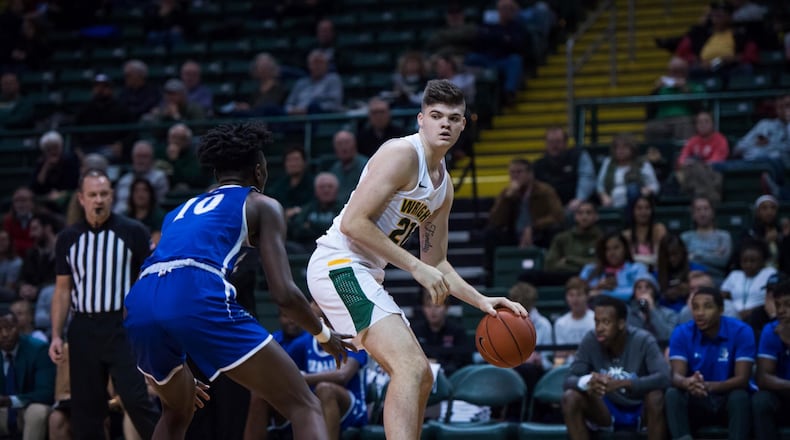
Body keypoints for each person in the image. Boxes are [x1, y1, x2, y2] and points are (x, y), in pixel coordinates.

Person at [306, 79, 527, 440]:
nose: (444, 124)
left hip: (365, 273)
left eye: (453, 118)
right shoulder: (402, 154)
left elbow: (437, 262)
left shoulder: (443, 186)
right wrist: (414, 267)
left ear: (463, 125)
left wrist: (482, 301)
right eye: (436, 116)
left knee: (421, 373)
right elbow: (352, 223)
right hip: (337, 265)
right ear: (421, 119)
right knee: (409, 367)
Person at [122, 123, 353, 439]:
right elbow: (283, 294)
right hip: (193, 292)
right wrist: (323, 333)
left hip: (140, 302)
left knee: (177, 410)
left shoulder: (179, 210)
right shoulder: (261, 204)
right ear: (258, 172)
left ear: (217, 174)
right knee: (303, 404)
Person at [49, 169, 161, 439]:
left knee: (137, 400)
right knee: (86, 411)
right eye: (92, 195)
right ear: (81, 199)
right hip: (84, 327)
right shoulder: (67, 238)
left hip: (121, 327)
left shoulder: (133, 231)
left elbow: (148, 281)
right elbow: (62, 290)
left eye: (103, 194)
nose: (98, 200)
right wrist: (55, 334)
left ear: (112, 196)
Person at [562, 296, 670, 440]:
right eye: (597, 321)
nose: (599, 328)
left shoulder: (643, 339)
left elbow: (664, 377)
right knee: (570, 397)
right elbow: (568, 379)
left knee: (656, 396)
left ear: (621, 323)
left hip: (640, 408)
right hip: (606, 409)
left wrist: (624, 383)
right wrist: (589, 381)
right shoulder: (591, 339)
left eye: (606, 322)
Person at [666, 286, 754, 440]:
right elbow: (676, 376)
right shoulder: (681, 332)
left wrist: (709, 386)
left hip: (727, 399)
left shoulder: (741, 331)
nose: (699, 313)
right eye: (695, 307)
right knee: (672, 394)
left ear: (720, 309)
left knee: (739, 396)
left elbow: (743, 379)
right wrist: (687, 383)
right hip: (697, 400)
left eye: (707, 307)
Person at [485, 158, 565, 252]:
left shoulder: (545, 191)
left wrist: (533, 227)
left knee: (554, 229)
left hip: (538, 232)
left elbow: (557, 216)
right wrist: (507, 199)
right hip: (513, 233)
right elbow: (494, 220)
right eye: (512, 172)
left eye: (519, 172)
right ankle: (491, 267)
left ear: (530, 174)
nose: (515, 176)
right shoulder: (506, 193)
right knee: (491, 232)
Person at [0, 308, 55, 440]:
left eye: (9, 328)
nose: (5, 334)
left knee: (37, 411)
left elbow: (47, 393)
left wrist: (10, 401)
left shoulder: (38, 350)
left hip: (27, 409)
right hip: (2, 413)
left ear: (18, 327)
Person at [752, 278, 790, 440]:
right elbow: (763, 378)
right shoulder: (771, 330)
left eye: (787, 305)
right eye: (778, 304)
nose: (781, 311)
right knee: (761, 400)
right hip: (782, 397)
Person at [533, 127, 596, 212]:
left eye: (558, 141)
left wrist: (579, 199)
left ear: (566, 142)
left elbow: (586, 178)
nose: (554, 145)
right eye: (551, 142)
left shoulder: (578, 156)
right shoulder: (538, 165)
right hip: (549, 208)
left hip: (576, 206)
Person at [411, 289, 472, 377]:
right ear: (423, 308)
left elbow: (464, 362)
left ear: (446, 308)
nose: (433, 310)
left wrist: (437, 363)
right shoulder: (416, 331)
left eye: (437, 306)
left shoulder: (457, 331)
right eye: (428, 306)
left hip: (452, 377)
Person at [579, 232, 651, 301]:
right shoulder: (589, 269)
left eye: (616, 248)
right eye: (607, 249)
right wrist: (596, 287)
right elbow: (577, 293)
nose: (612, 253)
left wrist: (602, 293)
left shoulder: (637, 269)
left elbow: (640, 292)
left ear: (625, 249)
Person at [596, 133, 660, 209]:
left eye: (624, 147)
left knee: (632, 189)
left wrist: (647, 191)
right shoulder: (608, 162)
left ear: (632, 148)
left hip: (636, 205)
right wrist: (604, 196)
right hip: (612, 204)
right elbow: (599, 185)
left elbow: (655, 186)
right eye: (617, 147)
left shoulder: (642, 163)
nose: (620, 150)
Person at [288, 172, 344, 254]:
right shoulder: (307, 208)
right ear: (316, 190)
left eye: (330, 186)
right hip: (307, 249)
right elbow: (297, 230)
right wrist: (324, 227)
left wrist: (311, 225)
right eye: (322, 187)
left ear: (337, 190)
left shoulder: (343, 209)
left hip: (336, 248)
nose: (326, 190)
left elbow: (341, 231)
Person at [113, 140, 170, 215]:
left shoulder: (159, 177)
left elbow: (157, 203)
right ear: (132, 158)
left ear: (152, 159)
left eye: (145, 156)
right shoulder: (124, 180)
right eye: (138, 156)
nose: (141, 160)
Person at [681, 196, 733, 274]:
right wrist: (713, 254)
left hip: (716, 277)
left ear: (712, 212)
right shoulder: (685, 237)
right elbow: (682, 261)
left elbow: (723, 261)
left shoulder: (723, 236)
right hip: (690, 277)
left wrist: (694, 255)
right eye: (698, 210)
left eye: (706, 209)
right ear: (693, 215)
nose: (702, 213)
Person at [553, 277, 595, 365]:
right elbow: (560, 355)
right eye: (571, 295)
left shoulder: (595, 319)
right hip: (567, 367)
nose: (575, 299)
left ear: (587, 296)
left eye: (579, 295)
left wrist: (570, 351)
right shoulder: (560, 323)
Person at [627, 274, 679, 341]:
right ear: (634, 293)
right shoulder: (628, 313)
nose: (643, 290)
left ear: (654, 291)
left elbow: (667, 336)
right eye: (639, 287)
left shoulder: (669, 314)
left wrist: (652, 310)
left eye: (647, 287)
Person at [621, 195, 667, 269]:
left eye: (647, 208)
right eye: (639, 208)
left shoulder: (659, 230)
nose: (643, 212)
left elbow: (662, 258)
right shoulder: (626, 235)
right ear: (633, 211)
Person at [327, 131, 368, 204]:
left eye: (346, 143)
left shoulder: (366, 165)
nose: (343, 147)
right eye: (339, 144)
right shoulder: (334, 170)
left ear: (355, 145)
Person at [3, 187, 35, 258]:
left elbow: (38, 245)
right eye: (16, 201)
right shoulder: (8, 221)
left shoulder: (40, 219)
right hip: (13, 259)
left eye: (23, 200)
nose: (20, 204)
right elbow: (8, 244)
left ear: (32, 203)